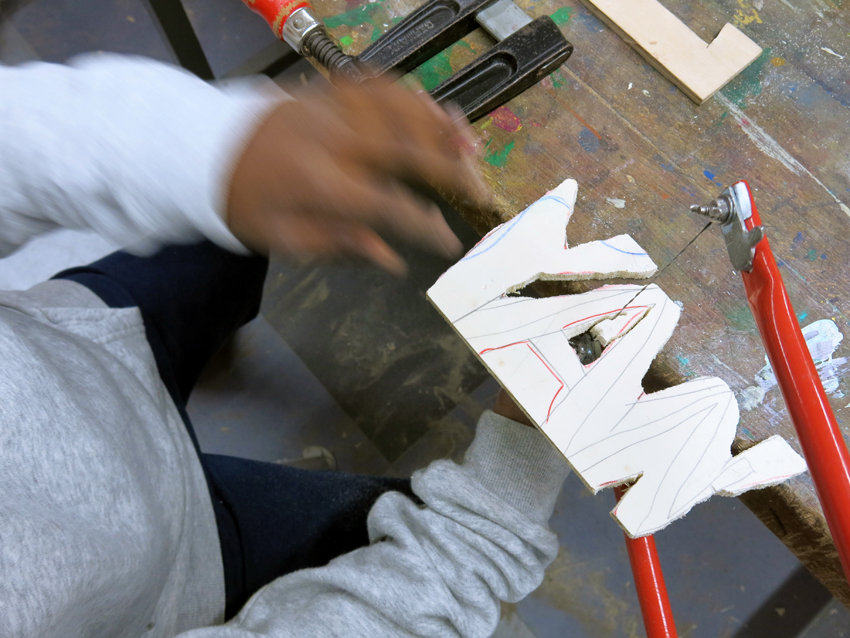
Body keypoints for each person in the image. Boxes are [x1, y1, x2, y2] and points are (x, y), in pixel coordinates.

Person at [0, 54, 570, 637]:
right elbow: (420, 595)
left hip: (83, 341)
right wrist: (501, 497)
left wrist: (215, 152)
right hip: (181, 574)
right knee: (418, 543)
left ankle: (214, 331)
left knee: (240, 229)